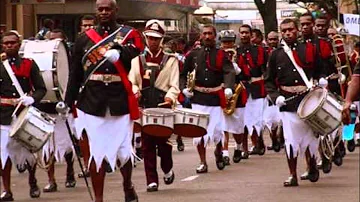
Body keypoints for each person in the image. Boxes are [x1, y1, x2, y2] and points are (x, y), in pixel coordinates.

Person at [64, 0, 144, 201]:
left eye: (108, 9)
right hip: (92, 101)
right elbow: (75, 74)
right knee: (96, 152)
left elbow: (136, 48)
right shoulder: (83, 39)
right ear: (96, 12)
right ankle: (99, 198)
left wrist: (120, 51)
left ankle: (127, 185)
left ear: (116, 10)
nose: (104, 12)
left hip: (119, 99)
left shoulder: (127, 34)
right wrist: (67, 102)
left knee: (124, 149)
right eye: (100, 9)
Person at [264, 18, 324, 187]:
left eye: (290, 29)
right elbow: (268, 80)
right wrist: (276, 97)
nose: (287, 33)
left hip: (309, 100)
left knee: (311, 138)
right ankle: (292, 174)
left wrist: (321, 80)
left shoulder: (310, 49)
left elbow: (320, 70)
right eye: (284, 31)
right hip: (288, 102)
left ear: (297, 30)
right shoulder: (276, 54)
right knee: (291, 139)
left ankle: (312, 165)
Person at [129, 19, 179, 192]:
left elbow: (175, 85)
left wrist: (171, 97)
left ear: (162, 40)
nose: (153, 41)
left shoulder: (171, 60)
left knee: (163, 144)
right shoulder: (137, 60)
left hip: (163, 106)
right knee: (147, 144)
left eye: (156, 38)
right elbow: (132, 81)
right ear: (145, 38)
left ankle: (167, 168)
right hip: (145, 106)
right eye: (150, 38)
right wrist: (136, 91)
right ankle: (151, 180)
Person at [181, 24, 235, 173]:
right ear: (201, 35)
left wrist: (229, 87)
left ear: (214, 35)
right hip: (198, 98)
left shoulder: (221, 54)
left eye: (210, 34)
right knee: (199, 132)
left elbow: (229, 71)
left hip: (215, 98)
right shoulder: (193, 54)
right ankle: (202, 161)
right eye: (204, 34)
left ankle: (218, 152)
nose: (207, 36)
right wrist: (184, 89)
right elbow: (183, 73)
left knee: (217, 131)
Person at [0, 30, 47, 200]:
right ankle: (7, 190)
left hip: (24, 113)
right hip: (4, 115)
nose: (9, 46)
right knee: (3, 152)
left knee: (28, 149)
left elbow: (42, 88)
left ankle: (33, 181)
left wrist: (32, 99)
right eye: (6, 43)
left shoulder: (29, 64)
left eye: (12, 43)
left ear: (19, 45)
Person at [36, 29, 76, 193]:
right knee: (47, 146)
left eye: (58, 40)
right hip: (45, 105)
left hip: (64, 105)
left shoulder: (71, 58)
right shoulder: (40, 58)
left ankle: (70, 171)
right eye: (51, 40)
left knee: (66, 143)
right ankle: (51, 180)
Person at [238, 24, 268, 156]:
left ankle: (258, 143)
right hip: (243, 89)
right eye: (242, 33)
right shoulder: (236, 51)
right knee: (243, 119)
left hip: (257, 87)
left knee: (257, 119)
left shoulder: (260, 50)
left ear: (251, 35)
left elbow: (266, 70)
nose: (244, 35)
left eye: (246, 33)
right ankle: (244, 148)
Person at [219, 29, 247, 165]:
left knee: (238, 126)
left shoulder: (240, 54)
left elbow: (247, 75)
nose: (227, 45)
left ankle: (238, 146)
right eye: (224, 42)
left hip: (238, 92)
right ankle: (224, 152)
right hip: (222, 90)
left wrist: (238, 70)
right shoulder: (218, 55)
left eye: (229, 41)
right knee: (223, 125)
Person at [264, 30, 282, 152]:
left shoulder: (283, 52)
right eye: (270, 39)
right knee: (271, 118)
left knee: (282, 117)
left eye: (275, 39)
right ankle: (274, 139)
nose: (272, 42)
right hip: (269, 89)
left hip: (282, 88)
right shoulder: (264, 53)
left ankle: (283, 140)